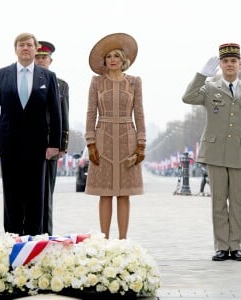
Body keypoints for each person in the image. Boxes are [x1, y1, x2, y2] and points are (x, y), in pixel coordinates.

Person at [182, 43, 241, 261]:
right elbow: (187, 97)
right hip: (215, 152)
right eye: (225, 61)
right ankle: (221, 246)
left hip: (240, 154)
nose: (229, 65)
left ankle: (236, 246)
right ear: (220, 64)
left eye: (233, 61)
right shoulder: (209, 88)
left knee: (237, 202)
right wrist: (201, 75)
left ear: (240, 64)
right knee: (218, 201)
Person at [0, 33, 62, 236]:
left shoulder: (47, 77)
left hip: (38, 147)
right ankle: (12, 243)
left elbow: (55, 112)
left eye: (29, 45)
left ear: (35, 48)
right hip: (8, 144)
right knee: (11, 196)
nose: (25, 48)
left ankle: (34, 244)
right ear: (16, 49)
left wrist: (54, 143)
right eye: (22, 45)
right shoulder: (1, 75)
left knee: (35, 198)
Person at [85, 33, 146, 239]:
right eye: (109, 56)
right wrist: (91, 143)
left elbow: (139, 113)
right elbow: (91, 113)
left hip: (128, 138)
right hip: (103, 139)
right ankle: (103, 239)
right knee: (104, 192)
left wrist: (141, 144)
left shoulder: (134, 83)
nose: (112, 59)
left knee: (123, 193)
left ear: (124, 60)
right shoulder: (96, 82)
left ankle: (123, 239)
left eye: (116, 56)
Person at [35, 41, 69, 235]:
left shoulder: (61, 85)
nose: (40, 60)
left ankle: (46, 235)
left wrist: (61, 145)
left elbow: (64, 115)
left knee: (47, 194)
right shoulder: (21, 80)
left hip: (49, 144)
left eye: (44, 57)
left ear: (50, 60)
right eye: (37, 57)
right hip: (26, 143)